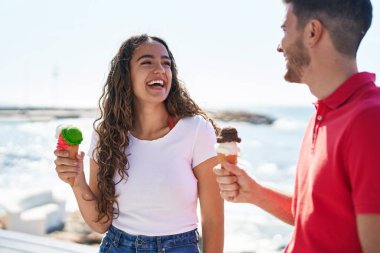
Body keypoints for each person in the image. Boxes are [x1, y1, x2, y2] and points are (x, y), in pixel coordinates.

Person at [214, 0, 380, 252]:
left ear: (312, 32)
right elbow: (319, 217)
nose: (279, 46)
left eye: (285, 30)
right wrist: (254, 193)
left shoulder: (369, 121)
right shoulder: (324, 113)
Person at [54, 34, 224, 253]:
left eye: (166, 63)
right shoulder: (106, 135)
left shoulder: (196, 130)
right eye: (147, 62)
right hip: (117, 246)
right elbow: (100, 223)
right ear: (126, 75)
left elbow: (213, 220)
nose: (160, 70)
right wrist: (77, 181)